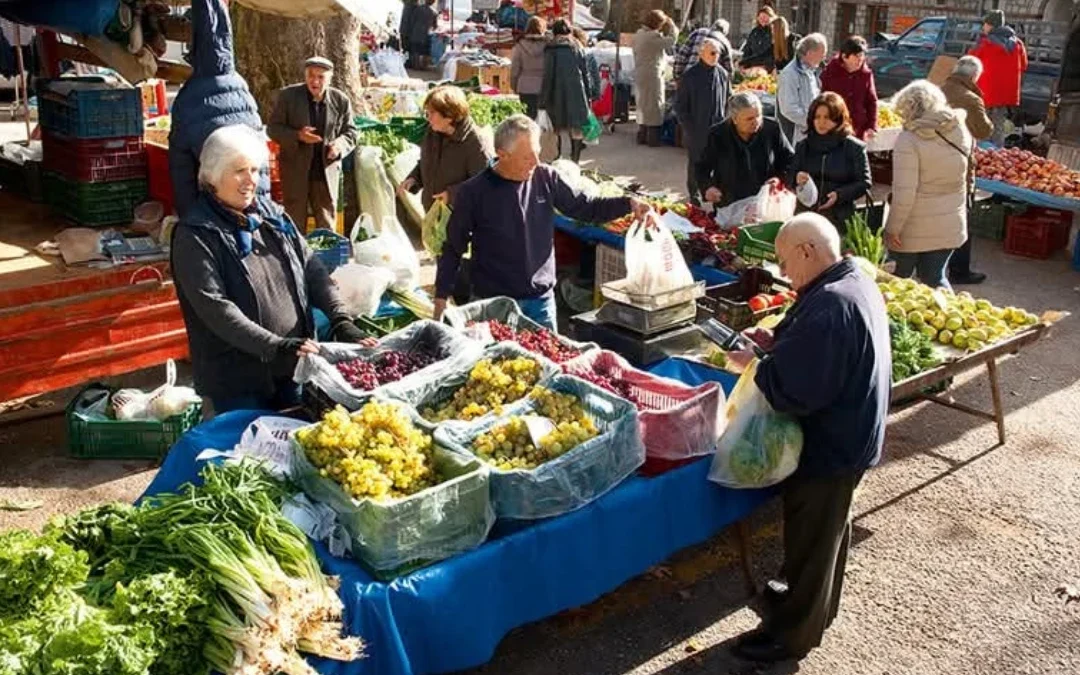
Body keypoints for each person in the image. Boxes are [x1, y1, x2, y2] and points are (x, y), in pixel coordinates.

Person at [726, 212, 890, 663]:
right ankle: (816, 614)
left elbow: (798, 392)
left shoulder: (834, 304)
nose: (783, 273)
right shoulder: (850, 278)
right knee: (827, 538)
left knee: (812, 544)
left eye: (785, 262)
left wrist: (756, 366)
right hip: (853, 436)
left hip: (833, 445)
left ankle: (787, 639)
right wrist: (777, 337)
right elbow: (815, 341)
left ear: (808, 251)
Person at [171, 125, 368, 414]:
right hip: (238, 380)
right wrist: (275, 345)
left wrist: (339, 317)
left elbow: (311, 267)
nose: (250, 180)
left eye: (254, 169)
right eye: (238, 170)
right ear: (213, 176)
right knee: (252, 451)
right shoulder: (196, 234)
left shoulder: (271, 214)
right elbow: (216, 309)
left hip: (292, 364)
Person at [432, 115, 652, 329]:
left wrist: (629, 204)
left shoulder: (546, 178)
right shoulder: (474, 192)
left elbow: (587, 207)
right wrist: (441, 298)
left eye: (537, 153)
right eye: (527, 157)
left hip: (540, 302)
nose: (536, 162)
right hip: (493, 304)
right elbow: (453, 247)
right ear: (502, 155)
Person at [169, 0, 265, 219]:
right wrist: (263, 211)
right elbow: (260, 163)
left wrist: (191, 220)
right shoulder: (242, 88)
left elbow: (181, 171)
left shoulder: (189, 97)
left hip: (215, 210)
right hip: (254, 205)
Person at [884, 80, 972, 290]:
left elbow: (904, 193)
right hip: (951, 221)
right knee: (935, 277)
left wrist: (892, 228)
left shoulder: (909, 140)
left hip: (914, 227)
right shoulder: (959, 128)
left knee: (896, 282)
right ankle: (952, 315)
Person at [268, 57, 357, 233]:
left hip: (325, 171)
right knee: (294, 224)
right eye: (310, 75)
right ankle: (296, 257)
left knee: (326, 225)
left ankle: (325, 259)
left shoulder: (341, 100)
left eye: (320, 77)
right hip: (295, 171)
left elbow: (351, 132)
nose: (315, 81)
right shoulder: (288, 96)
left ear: (329, 79)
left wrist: (338, 146)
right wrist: (298, 135)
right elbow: (273, 129)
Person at [397, 85, 494, 212]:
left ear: (449, 116)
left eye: (432, 113)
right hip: (434, 213)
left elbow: (484, 184)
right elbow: (427, 163)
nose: (428, 118)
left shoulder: (475, 143)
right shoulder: (433, 133)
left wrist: (452, 195)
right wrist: (414, 179)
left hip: (461, 218)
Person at [787, 92, 871, 234]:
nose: (821, 122)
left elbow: (864, 182)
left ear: (838, 120)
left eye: (827, 118)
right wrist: (796, 178)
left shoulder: (854, 148)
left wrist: (840, 195)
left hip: (839, 218)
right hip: (806, 216)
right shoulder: (803, 146)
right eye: (817, 117)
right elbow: (790, 176)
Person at [942, 55, 994, 285]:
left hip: (933, 160)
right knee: (962, 218)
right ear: (974, 77)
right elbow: (983, 131)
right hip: (960, 164)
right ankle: (959, 270)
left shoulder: (938, 90)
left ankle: (932, 266)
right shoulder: (972, 100)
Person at [697, 92, 794, 207]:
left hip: (765, 200)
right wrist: (707, 188)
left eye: (758, 115)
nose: (756, 121)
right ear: (734, 119)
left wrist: (779, 178)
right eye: (749, 119)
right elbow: (702, 167)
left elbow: (789, 159)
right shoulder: (718, 134)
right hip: (729, 202)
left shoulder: (772, 129)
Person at [675, 38, 731, 205]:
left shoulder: (722, 73)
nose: (716, 56)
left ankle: (714, 193)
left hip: (718, 127)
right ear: (701, 53)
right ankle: (695, 195)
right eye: (712, 53)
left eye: (718, 53)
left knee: (719, 163)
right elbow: (680, 107)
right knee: (696, 164)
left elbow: (728, 99)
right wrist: (690, 129)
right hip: (698, 129)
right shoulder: (690, 76)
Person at [969, 10, 1028, 146]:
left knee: (981, 124)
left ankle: (980, 153)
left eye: (985, 24)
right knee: (998, 124)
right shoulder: (1018, 44)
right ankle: (996, 153)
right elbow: (1024, 65)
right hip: (1005, 94)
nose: (983, 27)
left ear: (991, 25)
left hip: (985, 91)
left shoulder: (985, 43)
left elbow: (970, 61)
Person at [540, 19, 594, 163]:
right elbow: (585, 73)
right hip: (577, 93)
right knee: (576, 129)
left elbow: (548, 76)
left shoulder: (551, 49)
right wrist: (589, 96)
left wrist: (543, 101)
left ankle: (558, 160)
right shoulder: (578, 47)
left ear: (555, 33)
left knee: (556, 129)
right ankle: (575, 161)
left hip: (556, 93)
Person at [632, 9, 678, 147]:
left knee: (642, 105)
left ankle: (641, 136)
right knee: (655, 106)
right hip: (652, 74)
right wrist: (673, 26)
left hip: (640, 72)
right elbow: (671, 41)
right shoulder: (652, 37)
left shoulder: (639, 34)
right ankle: (653, 139)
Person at [819, 36, 878, 141]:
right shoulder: (830, 72)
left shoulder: (866, 74)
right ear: (845, 56)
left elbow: (871, 101)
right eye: (856, 56)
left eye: (862, 55)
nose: (860, 59)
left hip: (858, 130)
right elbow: (822, 98)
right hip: (834, 128)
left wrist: (871, 126)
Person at [778, 33, 827, 146]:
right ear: (810, 53)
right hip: (794, 137)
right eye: (822, 54)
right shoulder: (790, 74)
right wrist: (812, 122)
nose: (823, 58)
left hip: (808, 134)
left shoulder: (812, 72)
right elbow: (788, 109)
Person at [511, 16, 548, 120]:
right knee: (542, 119)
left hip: (524, 86)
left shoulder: (519, 45)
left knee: (527, 119)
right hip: (543, 86)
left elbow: (514, 69)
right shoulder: (548, 46)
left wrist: (514, 86)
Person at [571, 26, 602, 107]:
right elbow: (595, 76)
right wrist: (596, 94)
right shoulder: (588, 54)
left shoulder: (564, 53)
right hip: (585, 92)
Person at [410, 0, 439, 70]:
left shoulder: (418, 9)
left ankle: (416, 66)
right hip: (426, 33)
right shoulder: (434, 12)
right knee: (425, 51)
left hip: (416, 32)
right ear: (433, 2)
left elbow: (412, 20)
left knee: (416, 50)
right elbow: (435, 26)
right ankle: (424, 66)